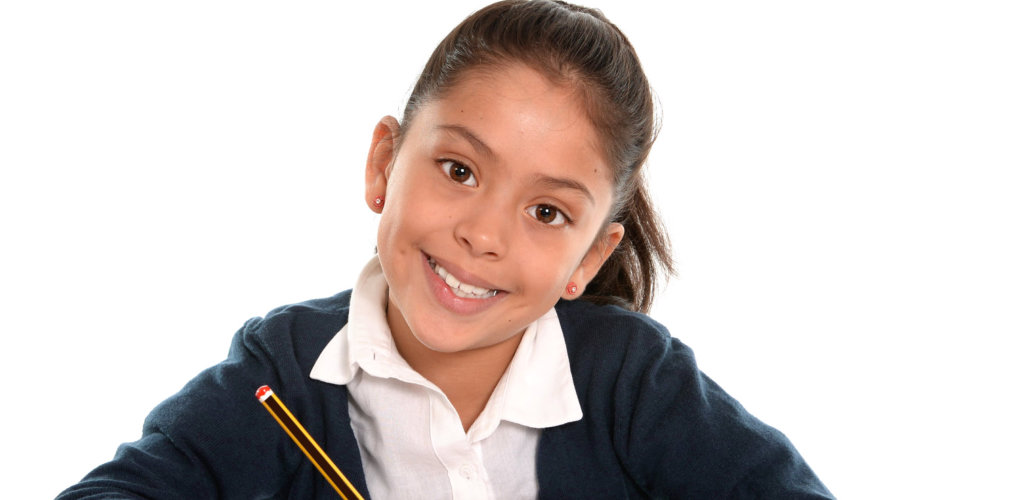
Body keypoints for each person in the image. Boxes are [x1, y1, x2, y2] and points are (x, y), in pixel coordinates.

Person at [57, 1, 830, 498]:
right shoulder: (287, 370)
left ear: (589, 260)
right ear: (384, 163)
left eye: (547, 212)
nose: (484, 236)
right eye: (458, 170)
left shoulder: (631, 380)